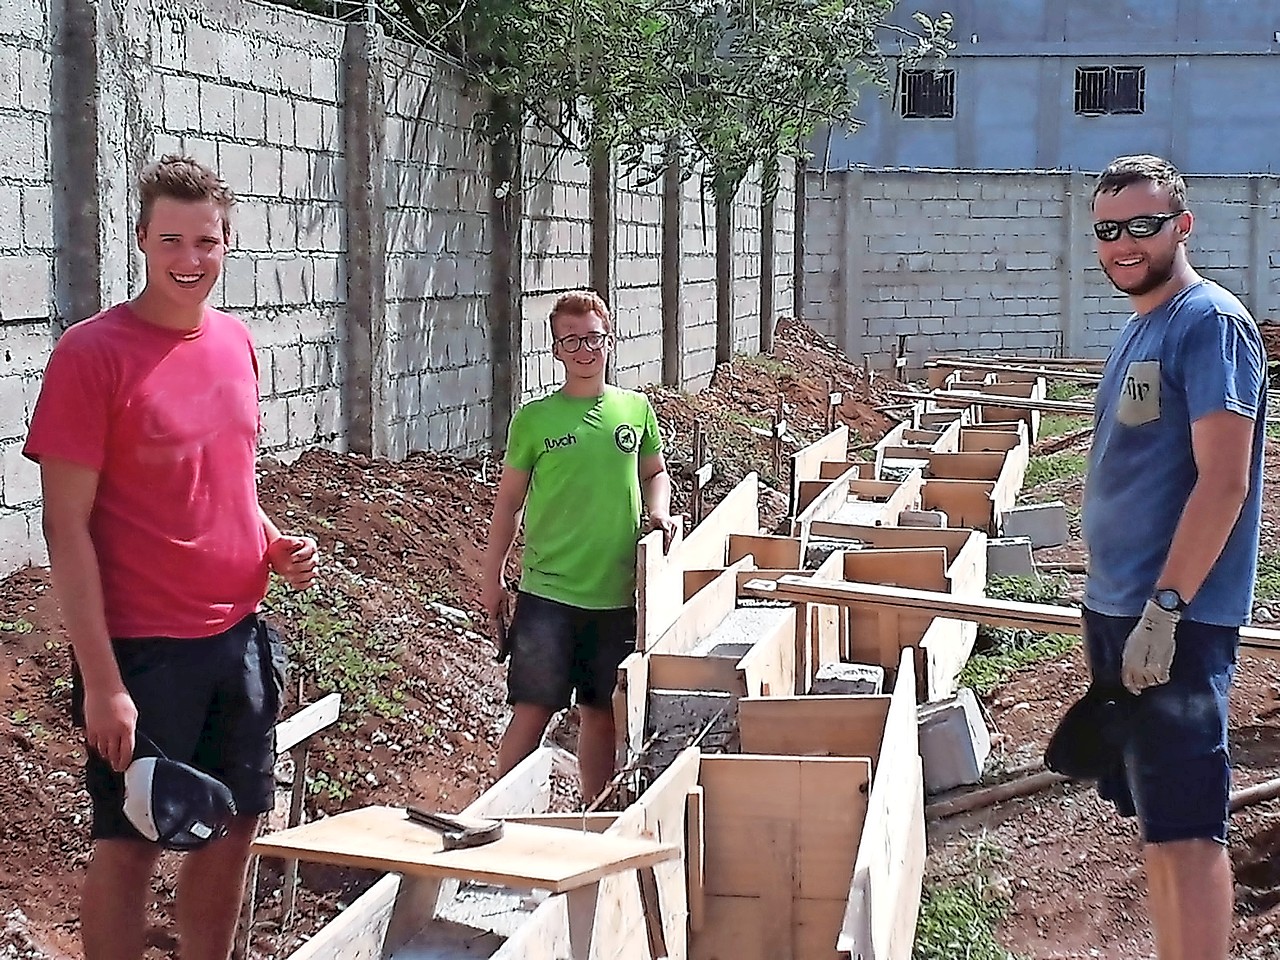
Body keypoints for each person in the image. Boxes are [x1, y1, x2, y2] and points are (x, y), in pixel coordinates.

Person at [23, 156, 318, 960]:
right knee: (133, 841)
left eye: (208, 242)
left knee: (233, 829)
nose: (191, 260)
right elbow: (65, 529)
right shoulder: (93, 355)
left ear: (229, 243)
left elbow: (229, 482)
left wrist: (270, 540)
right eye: (172, 240)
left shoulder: (235, 344)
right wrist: (105, 684)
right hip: (144, 652)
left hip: (240, 637)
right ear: (143, 240)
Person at [1081, 154, 1266, 960]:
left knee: (1189, 827)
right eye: (1108, 230)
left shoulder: (1208, 323)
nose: (1124, 244)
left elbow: (1226, 480)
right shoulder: (1139, 326)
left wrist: (1167, 608)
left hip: (1172, 624)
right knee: (1157, 820)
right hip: (1121, 611)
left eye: (1142, 227)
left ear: (1181, 226)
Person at [481, 290, 675, 803]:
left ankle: (592, 817)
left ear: (609, 340)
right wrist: (493, 578)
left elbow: (655, 472)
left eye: (594, 338)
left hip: (614, 594)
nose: (585, 350)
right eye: (572, 341)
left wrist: (659, 512)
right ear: (557, 351)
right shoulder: (535, 420)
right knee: (534, 708)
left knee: (599, 712)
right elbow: (508, 506)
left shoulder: (634, 410)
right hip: (548, 595)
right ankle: (503, 814)